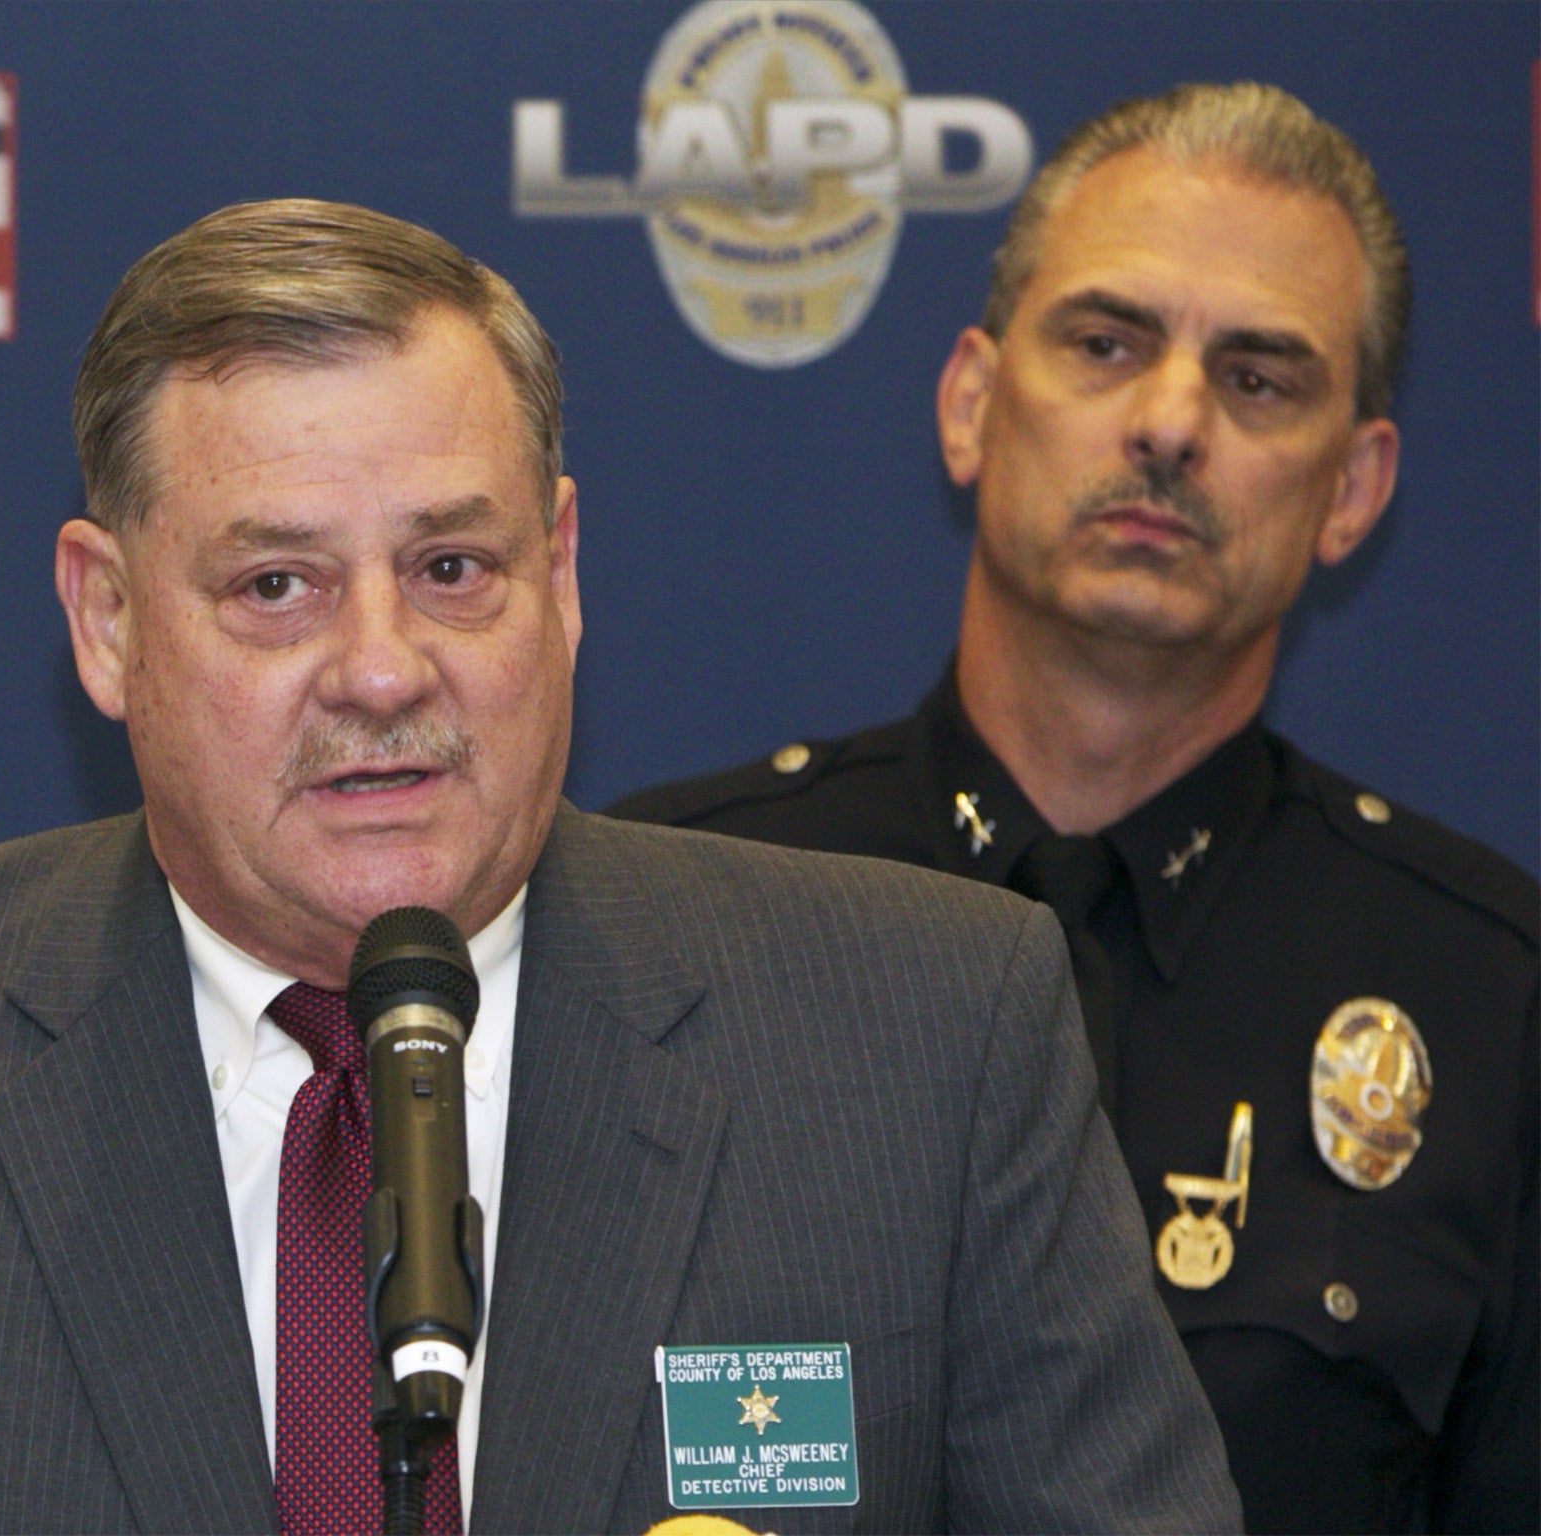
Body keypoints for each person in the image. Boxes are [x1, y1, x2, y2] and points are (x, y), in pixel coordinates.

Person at [0, 199, 1238, 1535]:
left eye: (456, 568)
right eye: (278, 586)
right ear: (105, 621)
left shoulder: (932, 1038)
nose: (385, 669)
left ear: (561, 569)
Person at [612, 84, 1537, 1535]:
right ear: (972, 402)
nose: (1169, 424)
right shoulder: (663, 909)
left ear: (1354, 488)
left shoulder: (1491, 994)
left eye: (1259, 379)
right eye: (1106, 344)